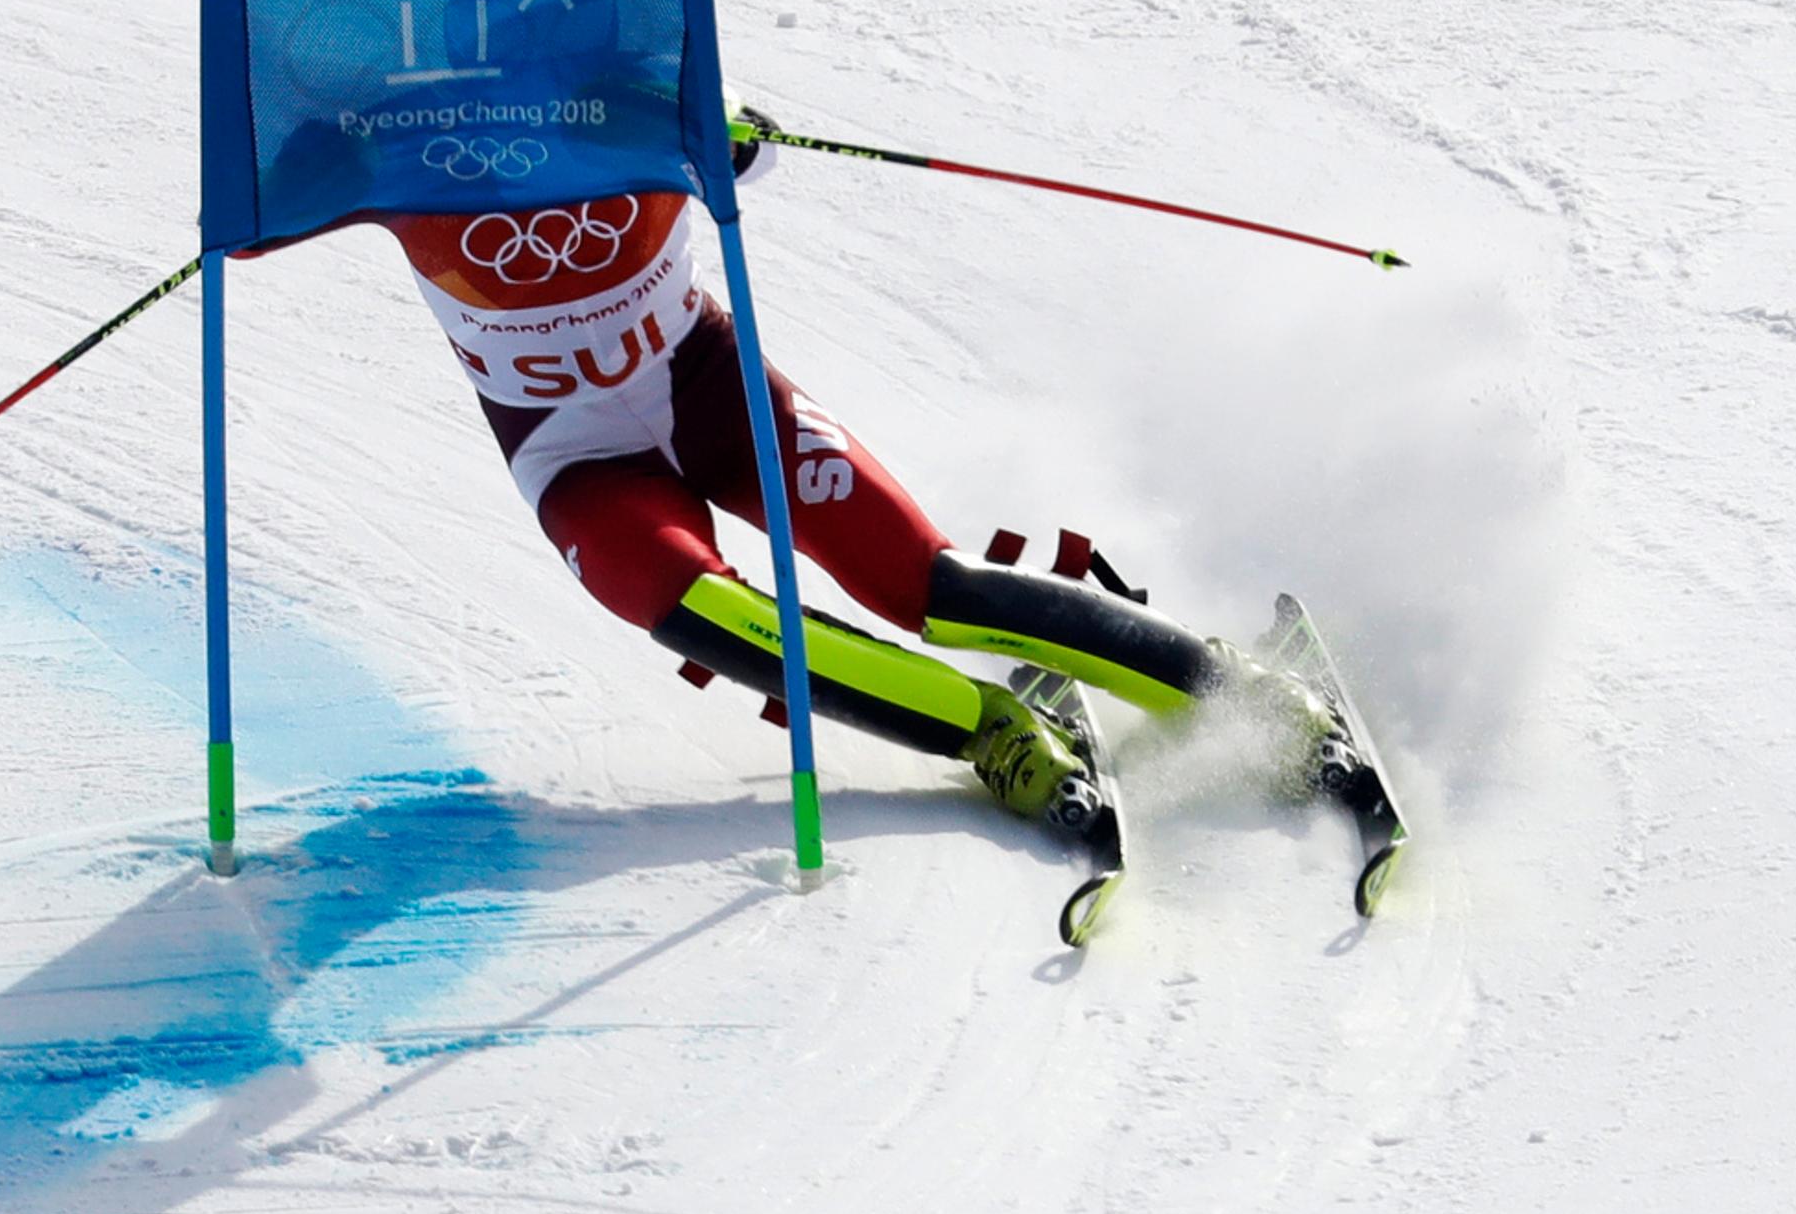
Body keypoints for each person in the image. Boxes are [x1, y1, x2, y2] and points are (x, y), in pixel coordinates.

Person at [359, 111, 1337, 837]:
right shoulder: (401, 147)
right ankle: (993, 731)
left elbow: (759, 140)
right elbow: (271, 181)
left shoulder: (627, 95)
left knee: (927, 587)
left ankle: (1229, 689)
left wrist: (736, 133)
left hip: (712, 393)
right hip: (575, 458)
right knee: (692, 604)